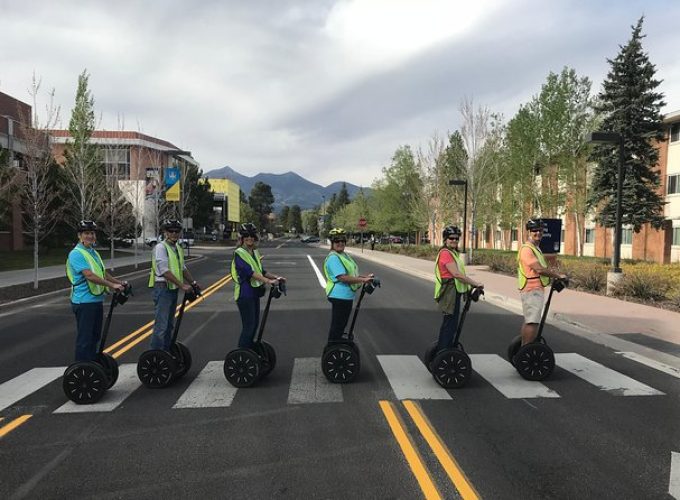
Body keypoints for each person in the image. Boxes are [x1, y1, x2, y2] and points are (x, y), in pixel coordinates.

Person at [66, 220, 127, 362]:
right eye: (86, 233)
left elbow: (102, 273)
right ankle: (82, 368)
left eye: (92, 233)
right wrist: (112, 286)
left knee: (94, 337)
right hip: (83, 301)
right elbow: (89, 275)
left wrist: (119, 283)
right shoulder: (76, 254)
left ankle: (91, 365)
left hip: (95, 300)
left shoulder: (93, 252)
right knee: (85, 338)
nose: (90, 236)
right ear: (80, 236)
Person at [231, 223, 285, 349]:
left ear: (255, 237)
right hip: (244, 295)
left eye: (252, 235)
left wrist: (276, 277)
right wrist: (268, 281)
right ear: (242, 238)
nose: (249, 238)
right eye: (246, 236)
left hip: (254, 294)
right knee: (249, 327)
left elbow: (261, 270)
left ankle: (250, 352)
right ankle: (243, 355)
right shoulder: (239, 253)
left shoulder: (254, 252)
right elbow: (250, 272)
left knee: (254, 325)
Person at [148, 219, 199, 351]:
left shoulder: (177, 248)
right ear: (165, 232)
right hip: (162, 288)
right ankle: (157, 354)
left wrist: (193, 283)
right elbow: (164, 271)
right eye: (171, 231)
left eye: (177, 231)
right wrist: (182, 285)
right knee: (162, 325)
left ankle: (166, 352)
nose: (174, 234)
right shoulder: (160, 248)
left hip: (172, 288)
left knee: (169, 324)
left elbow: (182, 268)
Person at [517, 218, 567, 346]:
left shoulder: (535, 248)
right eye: (534, 230)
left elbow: (542, 266)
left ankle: (524, 348)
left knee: (530, 320)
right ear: (529, 232)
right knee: (532, 322)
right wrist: (558, 275)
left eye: (540, 230)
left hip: (535, 289)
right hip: (531, 290)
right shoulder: (527, 249)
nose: (538, 233)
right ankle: (526, 349)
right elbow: (539, 269)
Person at [434, 225, 483, 350]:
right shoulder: (446, 253)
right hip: (449, 293)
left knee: (451, 323)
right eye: (451, 238)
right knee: (449, 324)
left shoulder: (452, 253)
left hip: (454, 292)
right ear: (445, 239)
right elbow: (456, 274)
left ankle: (444, 349)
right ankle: (444, 350)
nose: (454, 240)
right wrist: (475, 283)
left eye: (457, 238)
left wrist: (468, 288)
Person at [323, 228, 375, 342]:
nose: (340, 243)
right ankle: (333, 347)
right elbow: (342, 277)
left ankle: (336, 346)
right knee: (338, 326)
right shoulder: (333, 258)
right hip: (339, 296)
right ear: (331, 242)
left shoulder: (344, 255)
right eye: (337, 241)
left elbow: (351, 274)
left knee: (341, 325)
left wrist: (365, 277)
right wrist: (362, 281)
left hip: (346, 296)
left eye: (343, 240)